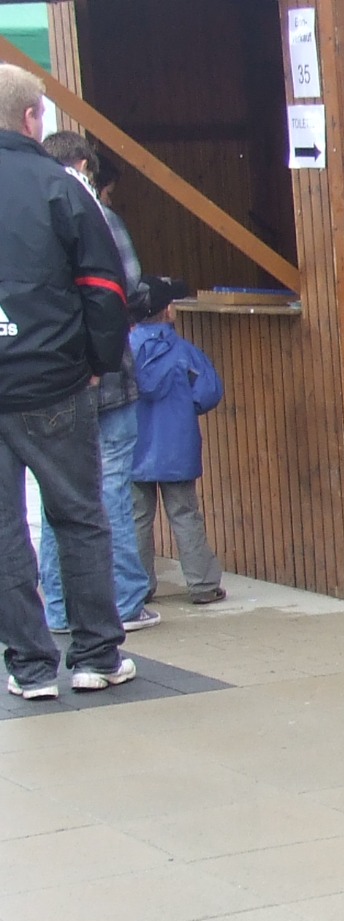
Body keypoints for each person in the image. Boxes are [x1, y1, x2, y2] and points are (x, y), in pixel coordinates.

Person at [0, 64, 134, 700]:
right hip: (54, 381)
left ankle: (29, 668)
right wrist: (98, 362)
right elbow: (105, 286)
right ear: (33, 119)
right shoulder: (62, 188)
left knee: (3, 532)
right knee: (78, 518)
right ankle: (95, 656)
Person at [34, 130, 156, 634]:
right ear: (84, 165)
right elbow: (128, 289)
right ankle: (124, 600)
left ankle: (59, 607)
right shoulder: (99, 217)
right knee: (111, 491)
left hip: (54, 377)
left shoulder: (29, 216)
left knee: (55, 495)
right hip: (108, 376)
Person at [126, 276, 225, 605]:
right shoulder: (185, 353)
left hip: (132, 449)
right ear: (169, 311)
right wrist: (183, 408)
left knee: (137, 519)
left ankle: (139, 588)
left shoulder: (123, 353)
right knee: (185, 515)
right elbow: (209, 393)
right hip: (177, 448)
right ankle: (203, 585)